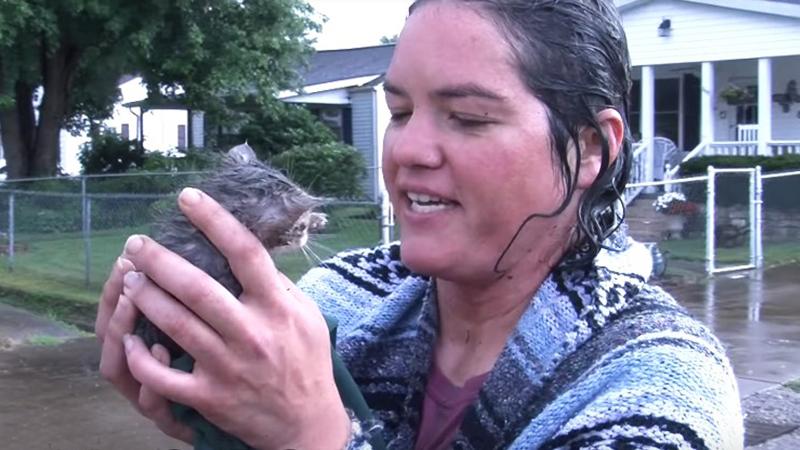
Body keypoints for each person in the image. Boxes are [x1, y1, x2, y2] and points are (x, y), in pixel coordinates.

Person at [95, 0, 744, 448]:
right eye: (401, 112)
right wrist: (214, 421)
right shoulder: (330, 301)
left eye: (466, 117)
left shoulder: (657, 381)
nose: (406, 151)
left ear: (591, 150)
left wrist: (314, 437)